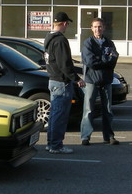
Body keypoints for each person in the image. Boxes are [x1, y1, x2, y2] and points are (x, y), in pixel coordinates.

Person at [44, 12, 85, 154]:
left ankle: (51, 143)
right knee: (60, 116)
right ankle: (56, 145)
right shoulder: (60, 40)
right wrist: (77, 79)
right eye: (67, 24)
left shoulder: (49, 38)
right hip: (61, 83)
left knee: (54, 115)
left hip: (53, 80)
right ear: (65, 23)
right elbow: (65, 64)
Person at [80, 17, 120, 145]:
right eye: (95, 27)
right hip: (91, 80)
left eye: (100, 26)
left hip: (106, 80)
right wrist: (106, 59)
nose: (98, 29)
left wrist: (103, 60)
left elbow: (114, 58)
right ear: (91, 28)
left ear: (104, 28)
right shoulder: (88, 43)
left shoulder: (109, 42)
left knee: (107, 109)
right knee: (89, 109)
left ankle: (109, 136)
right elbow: (90, 62)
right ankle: (85, 136)